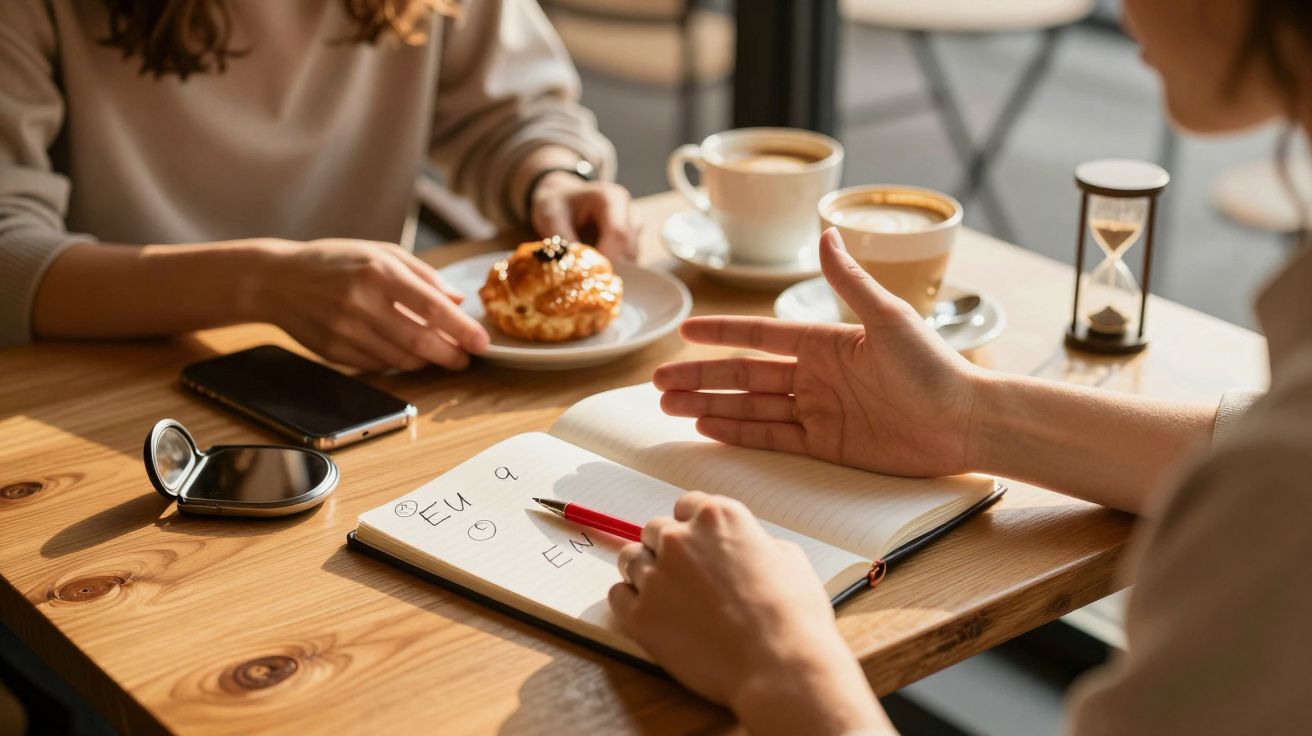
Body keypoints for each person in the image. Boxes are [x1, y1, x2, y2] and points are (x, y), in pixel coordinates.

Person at [607, 1, 1312, 733]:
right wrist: (967, 415)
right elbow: (1273, 446)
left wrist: (780, 664)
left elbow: (1284, 468)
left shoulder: (1277, 496)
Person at [0, 0, 636, 371]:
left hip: (372, 371)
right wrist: (261, 283)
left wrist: (552, 177)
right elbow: (9, 254)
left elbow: (510, 115)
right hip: (108, 377)